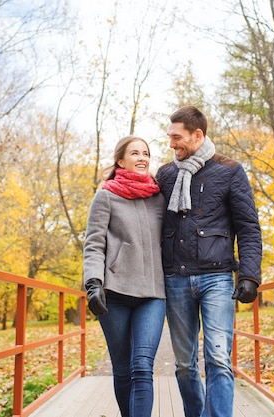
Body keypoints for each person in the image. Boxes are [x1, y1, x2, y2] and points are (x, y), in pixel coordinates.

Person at [156, 105, 262, 417]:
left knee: (217, 356)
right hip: (175, 278)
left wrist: (249, 275)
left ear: (197, 135)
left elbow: (248, 227)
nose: (172, 143)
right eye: (170, 136)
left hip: (216, 278)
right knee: (185, 364)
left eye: (177, 137)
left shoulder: (229, 170)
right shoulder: (165, 175)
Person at [83, 135, 166, 417]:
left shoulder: (159, 197)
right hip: (114, 294)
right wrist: (93, 282)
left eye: (146, 153)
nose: (142, 158)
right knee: (122, 368)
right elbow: (94, 244)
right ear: (120, 160)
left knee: (142, 365)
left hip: (153, 294)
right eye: (135, 153)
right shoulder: (105, 196)